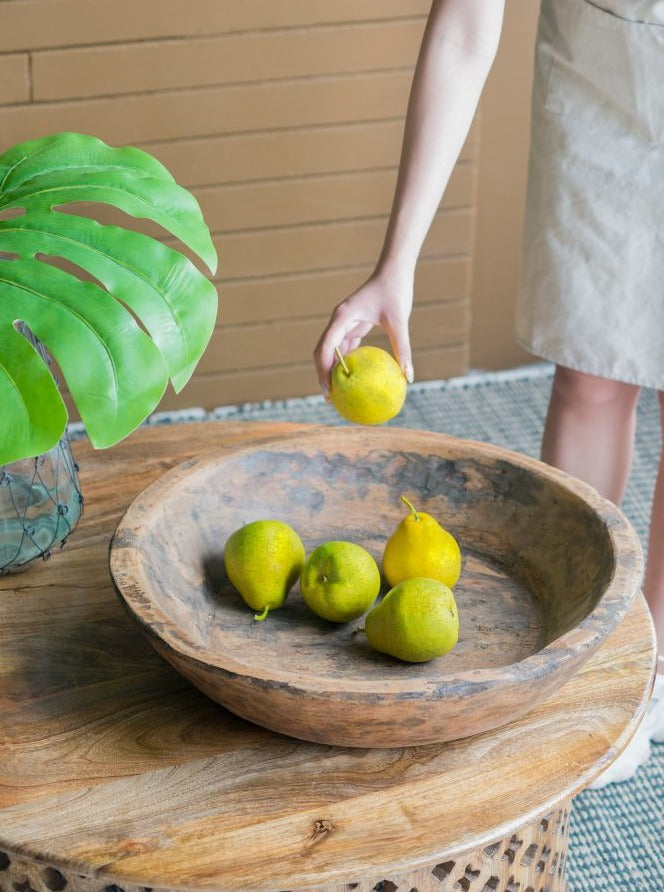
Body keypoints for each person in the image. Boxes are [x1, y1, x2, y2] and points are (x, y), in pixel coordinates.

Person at [313, 0, 664, 784]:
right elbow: (466, 28)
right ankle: (581, 641)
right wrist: (394, 264)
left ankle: (648, 666)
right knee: (589, 374)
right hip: (598, 71)